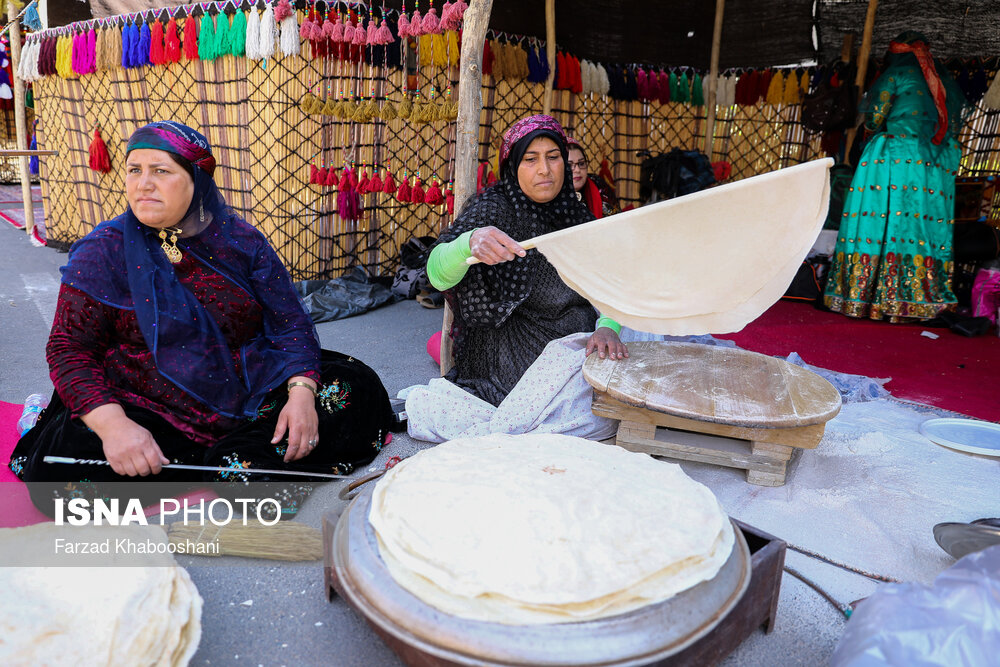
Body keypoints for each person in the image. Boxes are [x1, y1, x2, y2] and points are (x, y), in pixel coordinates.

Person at [9, 121, 393, 516]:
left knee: (353, 385)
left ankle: (230, 458)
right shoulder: (103, 251)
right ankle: (230, 462)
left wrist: (300, 394)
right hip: (147, 402)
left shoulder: (241, 242)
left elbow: (290, 324)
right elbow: (69, 348)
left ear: (198, 179)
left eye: (161, 171)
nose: (143, 184)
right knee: (61, 479)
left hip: (252, 388)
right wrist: (114, 427)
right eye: (134, 169)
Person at [424, 114, 626, 407]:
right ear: (513, 166)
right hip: (516, 354)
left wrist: (608, 327)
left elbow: (610, 280)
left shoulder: (574, 214)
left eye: (553, 157)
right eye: (530, 159)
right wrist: (468, 244)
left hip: (581, 343)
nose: (544, 169)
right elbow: (435, 274)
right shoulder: (495, 210)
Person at [823, 32, 970, 322]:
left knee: (880, 220)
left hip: (895, 156)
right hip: (934, 164)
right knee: (919, 226)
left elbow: (875, 118)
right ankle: (918, 298)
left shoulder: (896, 75)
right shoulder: (939, 79)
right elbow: (950, 123)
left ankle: (867, 296)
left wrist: (877, 128)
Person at [566, 137, 619, 219]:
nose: (577, 170)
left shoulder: (598, 186)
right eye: (569, 165)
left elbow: (616, 222)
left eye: (581, 163)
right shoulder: (551, 197)